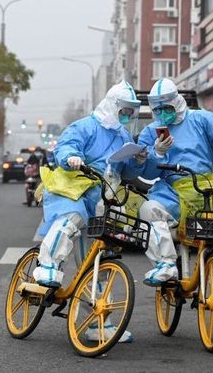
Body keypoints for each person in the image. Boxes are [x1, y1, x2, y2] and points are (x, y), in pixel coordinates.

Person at [136, 78, 213, 344]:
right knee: (149, 209)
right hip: (171, 191)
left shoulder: (202, 120)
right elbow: (142, 170)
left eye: (166, 107)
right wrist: (155, 154)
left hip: (207, 191)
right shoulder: (152, 131)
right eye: (157, 110)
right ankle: (165, 263)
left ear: (177, 101)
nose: (162, 114)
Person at [32, 81, 144, 343]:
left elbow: (126, 172)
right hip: (72, 190)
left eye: (131, 112)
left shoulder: (124, 136)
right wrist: (71, 156)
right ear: (113, 106)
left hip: (102, 202)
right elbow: (65, 146)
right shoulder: (85, 126)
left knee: (97, 265)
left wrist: (139, 161)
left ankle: (97, 322)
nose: (127, 116)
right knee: (72, 219)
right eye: (124, 110)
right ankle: (47, 265)